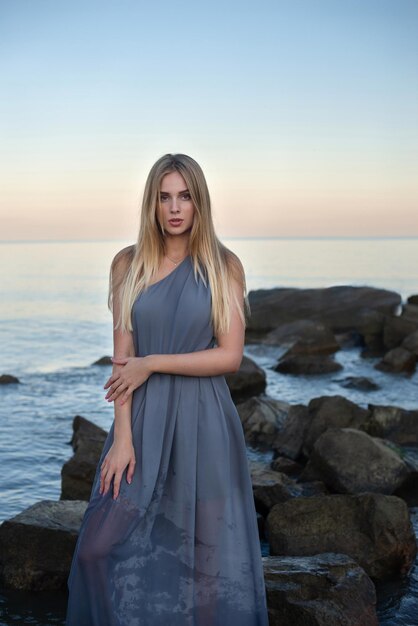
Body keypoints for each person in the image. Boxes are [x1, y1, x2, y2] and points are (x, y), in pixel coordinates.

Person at [65, 153, 269, 625]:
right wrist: (121, 436)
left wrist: (152, 362)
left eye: (184, 196)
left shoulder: (224, 265)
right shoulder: (127, 264)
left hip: (207, 423)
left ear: (199, 202)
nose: (174, 208)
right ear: (151, 204)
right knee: (98, 547)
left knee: (207, 564)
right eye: (164, 197)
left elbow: (229, 356)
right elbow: (122, 362)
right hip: (143, 422)